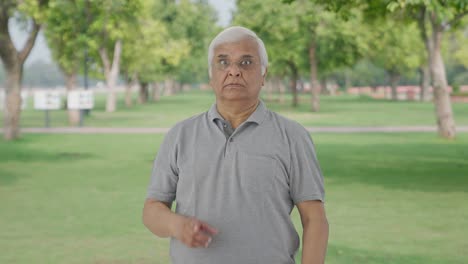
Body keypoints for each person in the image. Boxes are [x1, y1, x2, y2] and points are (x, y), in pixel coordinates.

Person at [143, 26, 328, 264]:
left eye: (246, 63)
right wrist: (175, 224)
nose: (234, 71)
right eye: (223, 62)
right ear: (211, 76)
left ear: (263, 75)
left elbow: (315, 219)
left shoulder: (292, 136)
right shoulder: (180, 135)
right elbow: (151, 210)